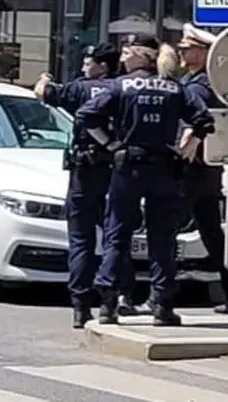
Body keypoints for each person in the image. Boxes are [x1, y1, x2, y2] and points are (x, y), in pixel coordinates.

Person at [78, 33, 215, 326]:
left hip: (128, 167)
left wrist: (110, 145)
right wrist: (187, 149)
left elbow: (87, 116)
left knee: (117, 235)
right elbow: (204, 120)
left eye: (128, 52)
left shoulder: (121, 86)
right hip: (164, 169)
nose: (123, 57)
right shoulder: (175, 87)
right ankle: (163, 306)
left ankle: (108, 305)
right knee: (162, 239)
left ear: (143, 55)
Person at [35, 43, 119, 328]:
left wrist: (45, 78)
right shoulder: (120, 88)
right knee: (114, 237)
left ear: (103, 66)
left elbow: (42, 93)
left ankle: (81, 307)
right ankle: (112, 301)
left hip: (86, 170)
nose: (84, 65)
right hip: (116, 168)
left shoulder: (80, 89)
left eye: (89, 61)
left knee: (81, 238)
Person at [174, 23, 228, 313]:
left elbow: (192, 125)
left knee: (167, 228)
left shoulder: (198, 86)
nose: (181, 52)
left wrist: (180, 155)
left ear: (203, 53)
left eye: (187, 49)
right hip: (208, 172)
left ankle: (159, 294)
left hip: (191, 168)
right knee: (213, 234)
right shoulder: (205, 81)